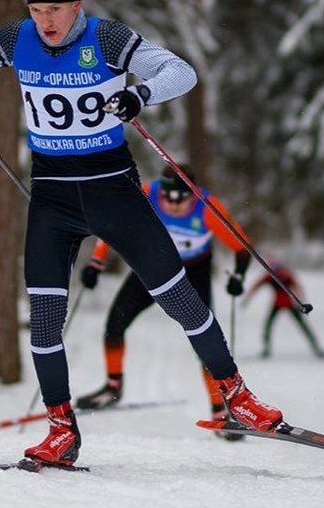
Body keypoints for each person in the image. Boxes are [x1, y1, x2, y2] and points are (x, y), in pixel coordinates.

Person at [0, 0, 285, 467]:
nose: (45, 21)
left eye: (55, 8)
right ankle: (61, 431)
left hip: (112, 191)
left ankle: (238, 397)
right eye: (36, 9)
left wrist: (140, 94)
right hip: (52, 197)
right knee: (45, 322)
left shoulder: (107, 39)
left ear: (77, 5)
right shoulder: (17, 39)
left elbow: (179, 72)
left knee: (180, 300)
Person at [75, 164, 251, 436]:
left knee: (205, 340)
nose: (173, 204)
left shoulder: (207, 207)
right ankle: (113, 386)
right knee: (115, 323)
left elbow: (241, 246)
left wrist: (238, 276)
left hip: (194, 271)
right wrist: (96, 263)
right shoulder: (147, 195)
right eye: (168, 197)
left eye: (181, 198)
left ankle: (220, 408)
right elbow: (115, 226)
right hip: (153, 266)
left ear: (192, 194)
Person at [247, 259, 324, 359]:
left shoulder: (281, 275)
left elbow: (297, 287)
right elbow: (257, 285)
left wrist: (248, 298)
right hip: (280, 304)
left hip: (288, 304)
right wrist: (302, 301)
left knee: (270, 326)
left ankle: (316, 348)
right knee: (300, 326)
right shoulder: (275, 275)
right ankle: (266, 349)